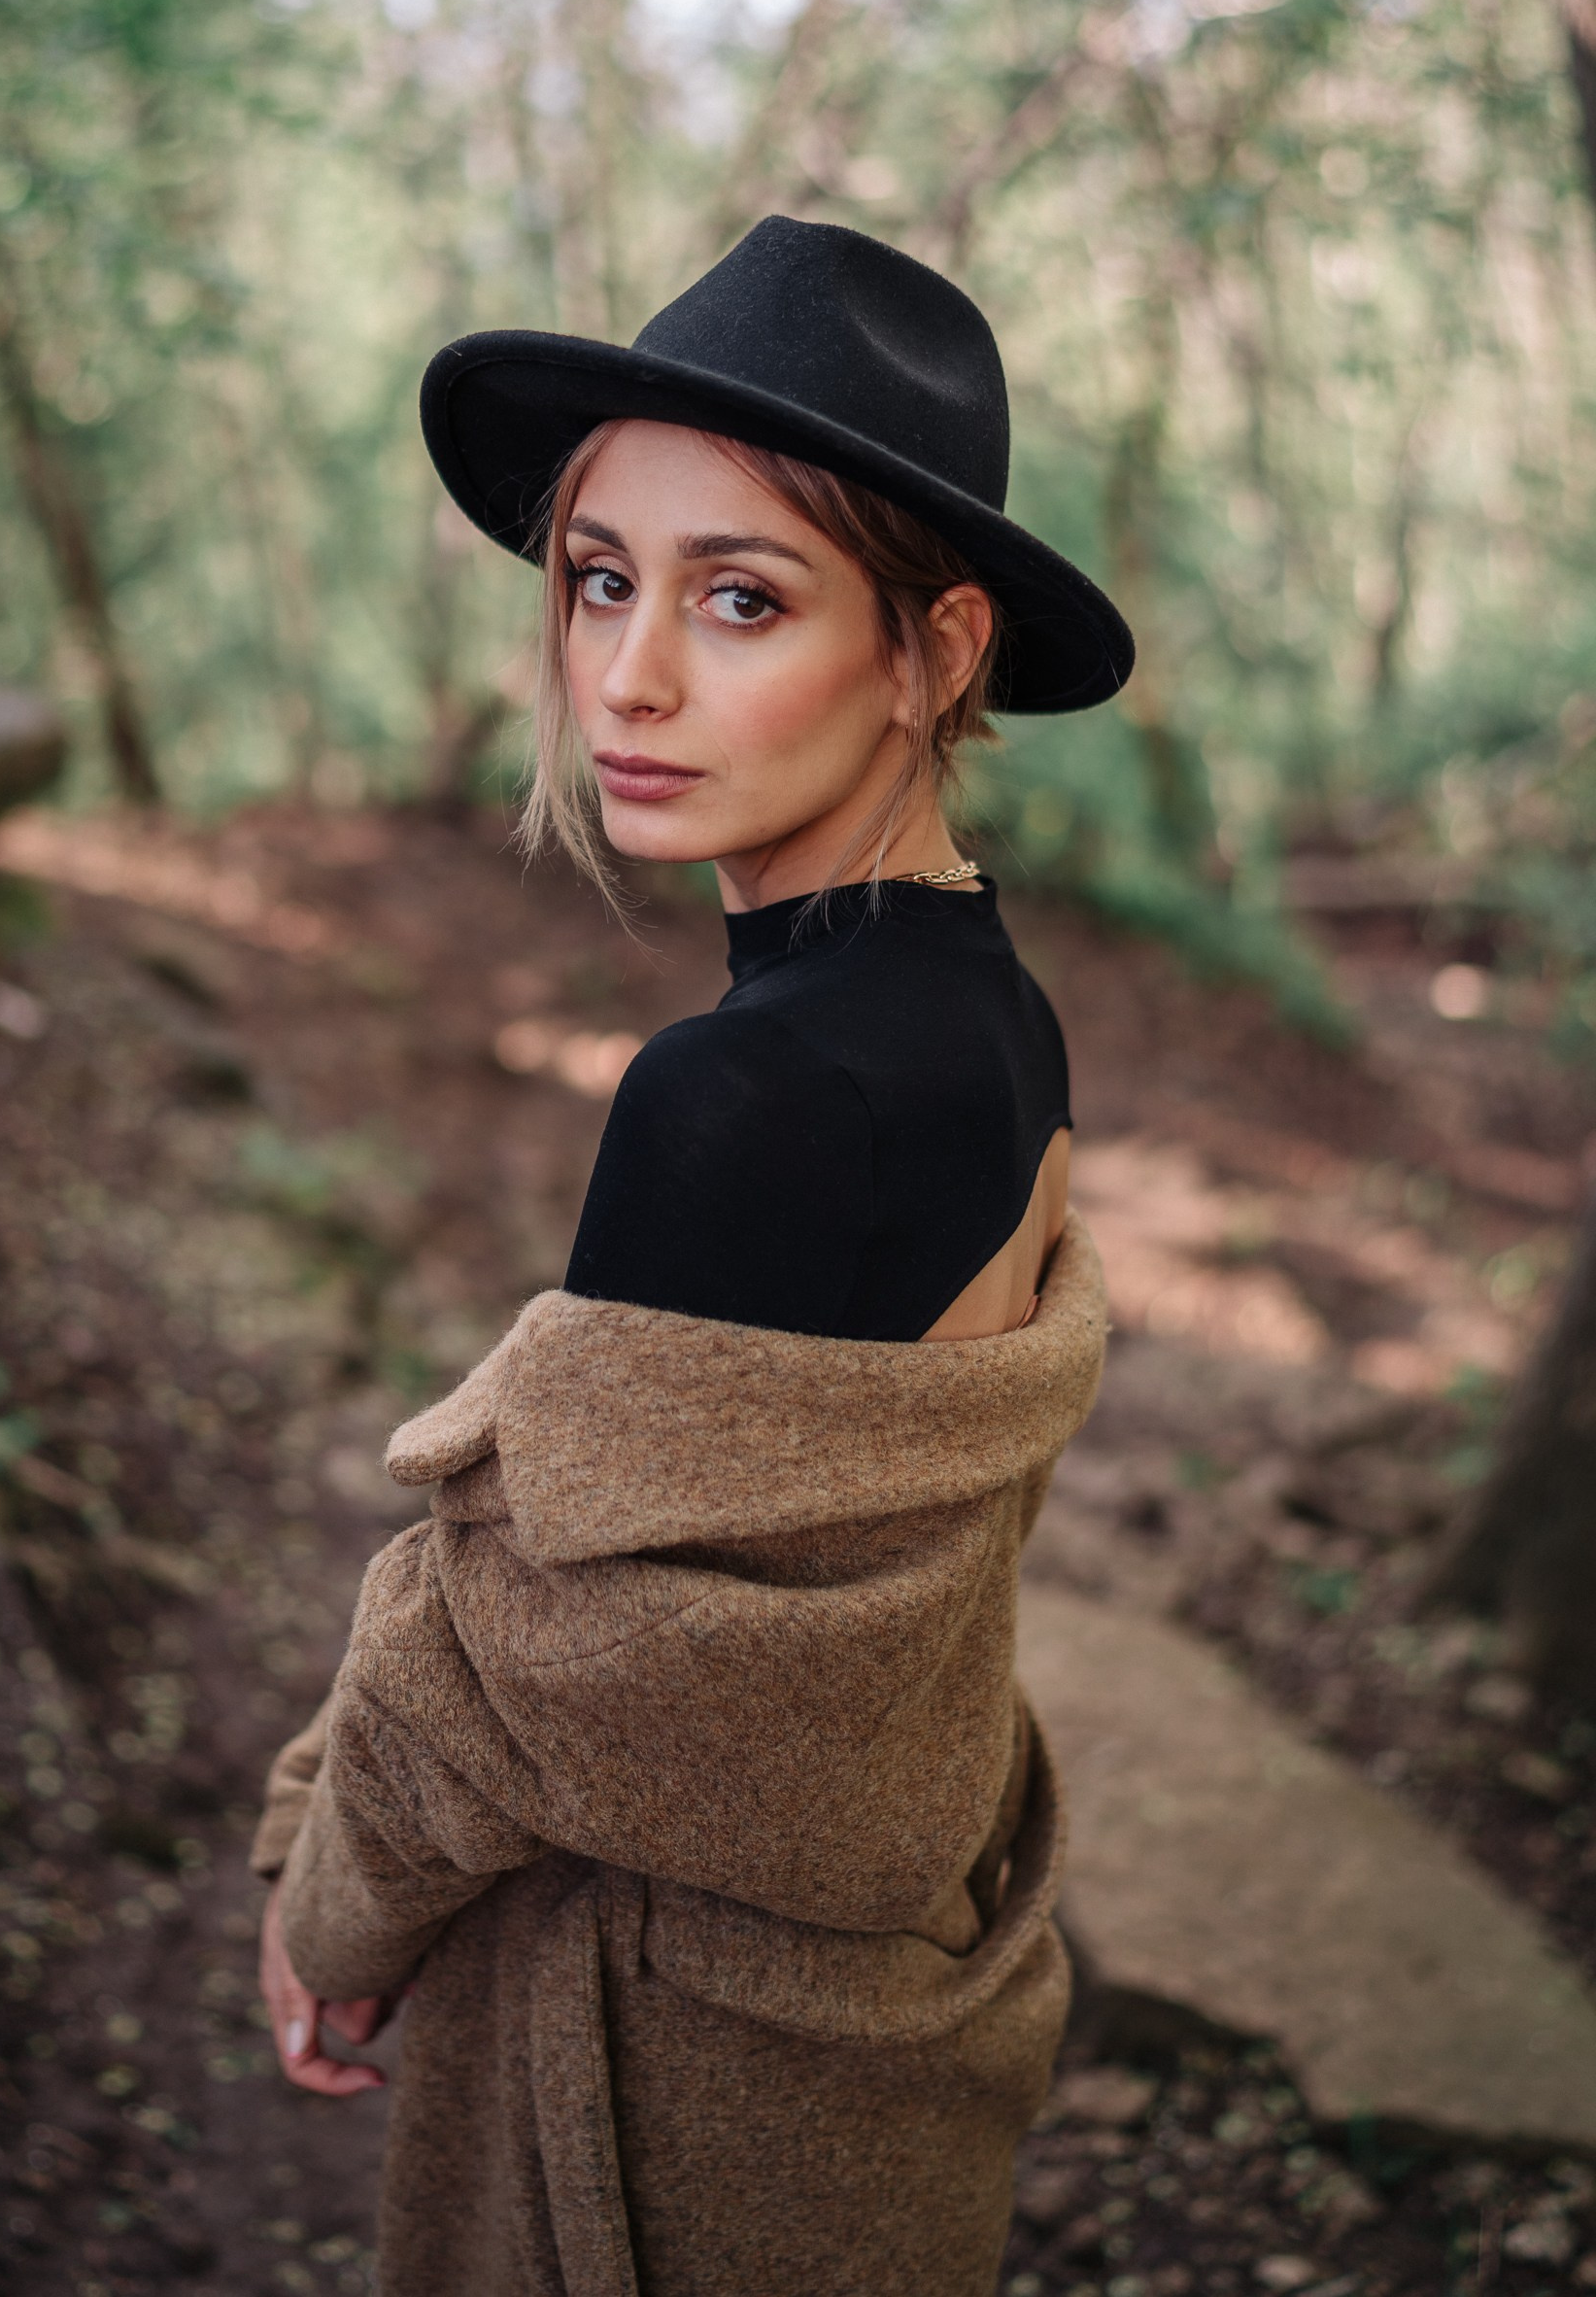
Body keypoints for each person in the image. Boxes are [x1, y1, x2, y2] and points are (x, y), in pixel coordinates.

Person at [252, 217, 1131, 2297]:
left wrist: (326, 1911)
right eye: (599, 579)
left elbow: (550, 1657)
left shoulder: (749, 1092)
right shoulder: (990, 1013)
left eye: (742, 597)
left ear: (935, 652)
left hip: (676, 2076)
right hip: (861, 2072)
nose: (629, 675)